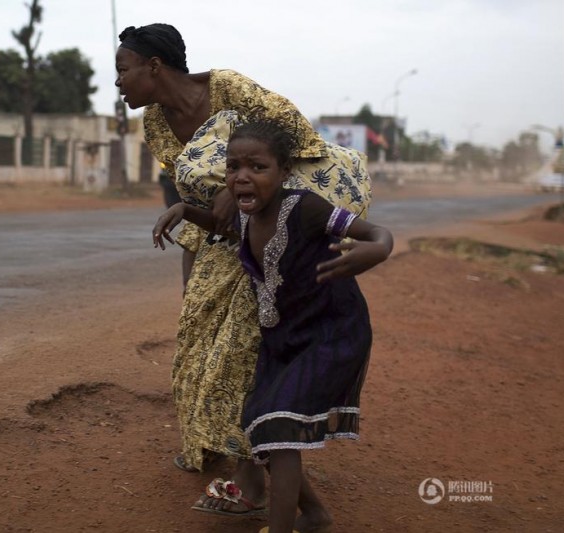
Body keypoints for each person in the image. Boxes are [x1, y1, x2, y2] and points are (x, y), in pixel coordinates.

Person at [116, 23, 372, 516]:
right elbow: (192, 195)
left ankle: (252, 482)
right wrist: (192, 280)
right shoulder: (154, 124)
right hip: (221, 234)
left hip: (271, 230)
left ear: (154, 66)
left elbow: (299, 136)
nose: (119, 83)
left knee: (241, 353)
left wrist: (238, 188)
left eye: (123, 71)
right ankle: (218, 447)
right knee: (195, 343)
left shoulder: (228, 88)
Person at [153, 120, 393, 532]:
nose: (242, 176)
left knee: (278, 426)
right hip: (282, 337)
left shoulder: (304, 208)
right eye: (233, 167)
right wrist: (184, 210)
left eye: (257, 167)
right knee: (260, 425)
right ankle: (315, 515)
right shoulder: (246, 216)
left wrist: (375, 250)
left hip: (329, 333)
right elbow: (218, 223)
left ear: (283, 172)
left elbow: (377, 233)